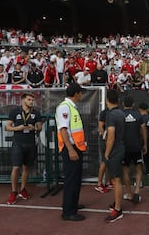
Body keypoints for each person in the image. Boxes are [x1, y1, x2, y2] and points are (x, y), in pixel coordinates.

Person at [55, 83, 87, 221]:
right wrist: (70, 149)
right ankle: (68, 211)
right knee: (71, 180)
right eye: (81, 92)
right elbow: (63, 130)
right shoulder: (64, 107)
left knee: (76, 179)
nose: (82, 95)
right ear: (76, 94)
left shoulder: (70, 107)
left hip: (76, 148)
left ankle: (72, 204)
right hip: (71, 149)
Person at [5, 92, 42, 205]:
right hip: (18, 143)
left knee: (26, 167)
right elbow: (8, 127)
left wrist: (34, 127)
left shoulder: (36, 113)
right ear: (23, 100)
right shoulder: (15, 111)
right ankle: (13, 191)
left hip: (30, 143)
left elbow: (39, 127)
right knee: (16, 167)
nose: (31, 102)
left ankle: (23, 189)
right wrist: (19, 128)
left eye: (32, 100)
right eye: (29, 100)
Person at [104, 89, 126, 223]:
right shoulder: (121, 113)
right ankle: (116, 203)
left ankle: (117, 209)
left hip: (115, 150)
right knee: (116, 179)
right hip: (120, 147)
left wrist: (106, 154)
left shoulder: (111, 115)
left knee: (116, 180)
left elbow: (111, 136)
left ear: (107, 101)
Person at [122, 96, 147, 204]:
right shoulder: (138, 115)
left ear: (123, 104)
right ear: (133, 104)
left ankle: (129, 193)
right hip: (136, 146)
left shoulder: (120, 115)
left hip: (124, 147)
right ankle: (136, 191)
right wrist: (144, 143)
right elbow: (143, 129)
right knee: (138, 168)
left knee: (125, 170)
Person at [94, 107, 111, 194]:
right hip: (105, 141)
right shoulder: (104, 112)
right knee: (104, 160)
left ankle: (108, 182)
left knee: (108, 161)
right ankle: (99, 184)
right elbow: (100, 126)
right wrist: (105, 138)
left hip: (111, 140)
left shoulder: (115, 111)